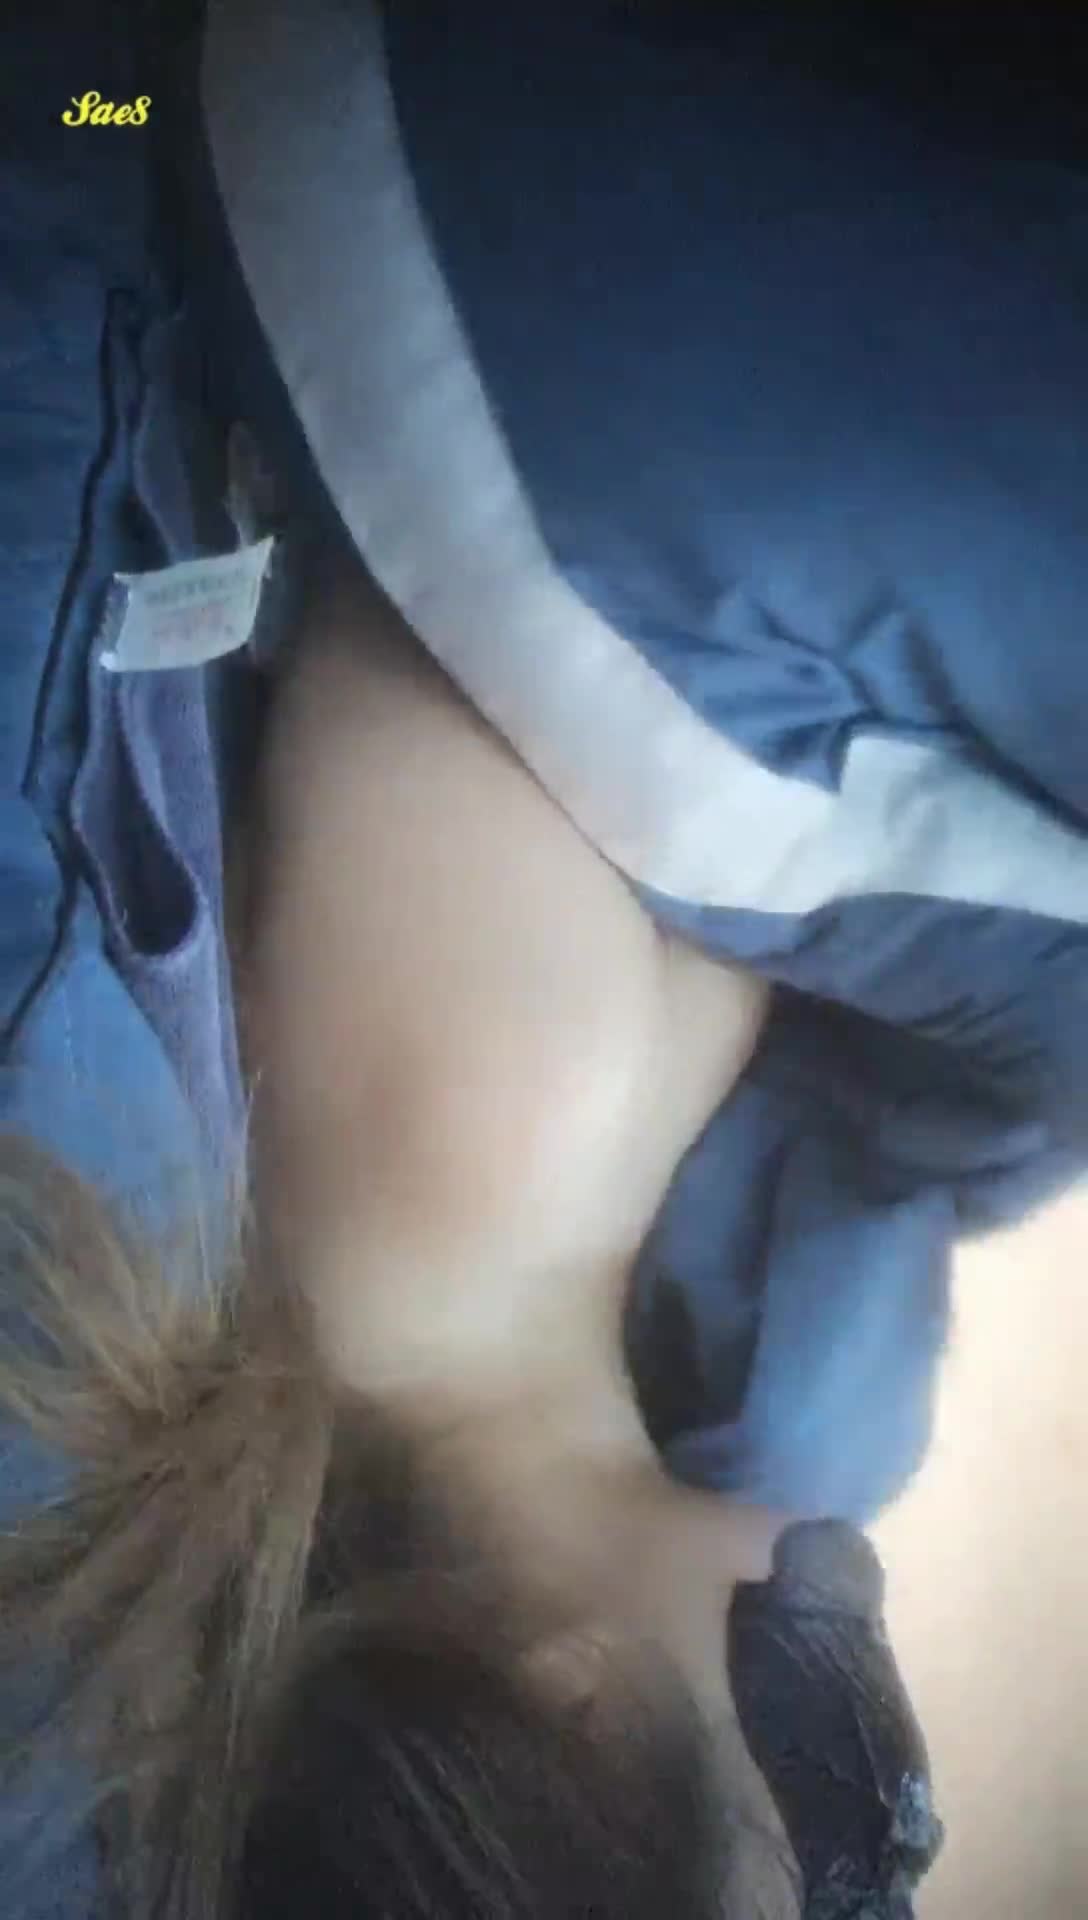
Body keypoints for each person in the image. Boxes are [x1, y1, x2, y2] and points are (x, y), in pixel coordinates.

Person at [5, 0, 1086, 1913]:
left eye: (840, 1830)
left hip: (252, 131)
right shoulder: (588, 1300)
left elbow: (480, 602)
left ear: (578, 1693)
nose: (899, 1825)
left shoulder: (469, 1166)